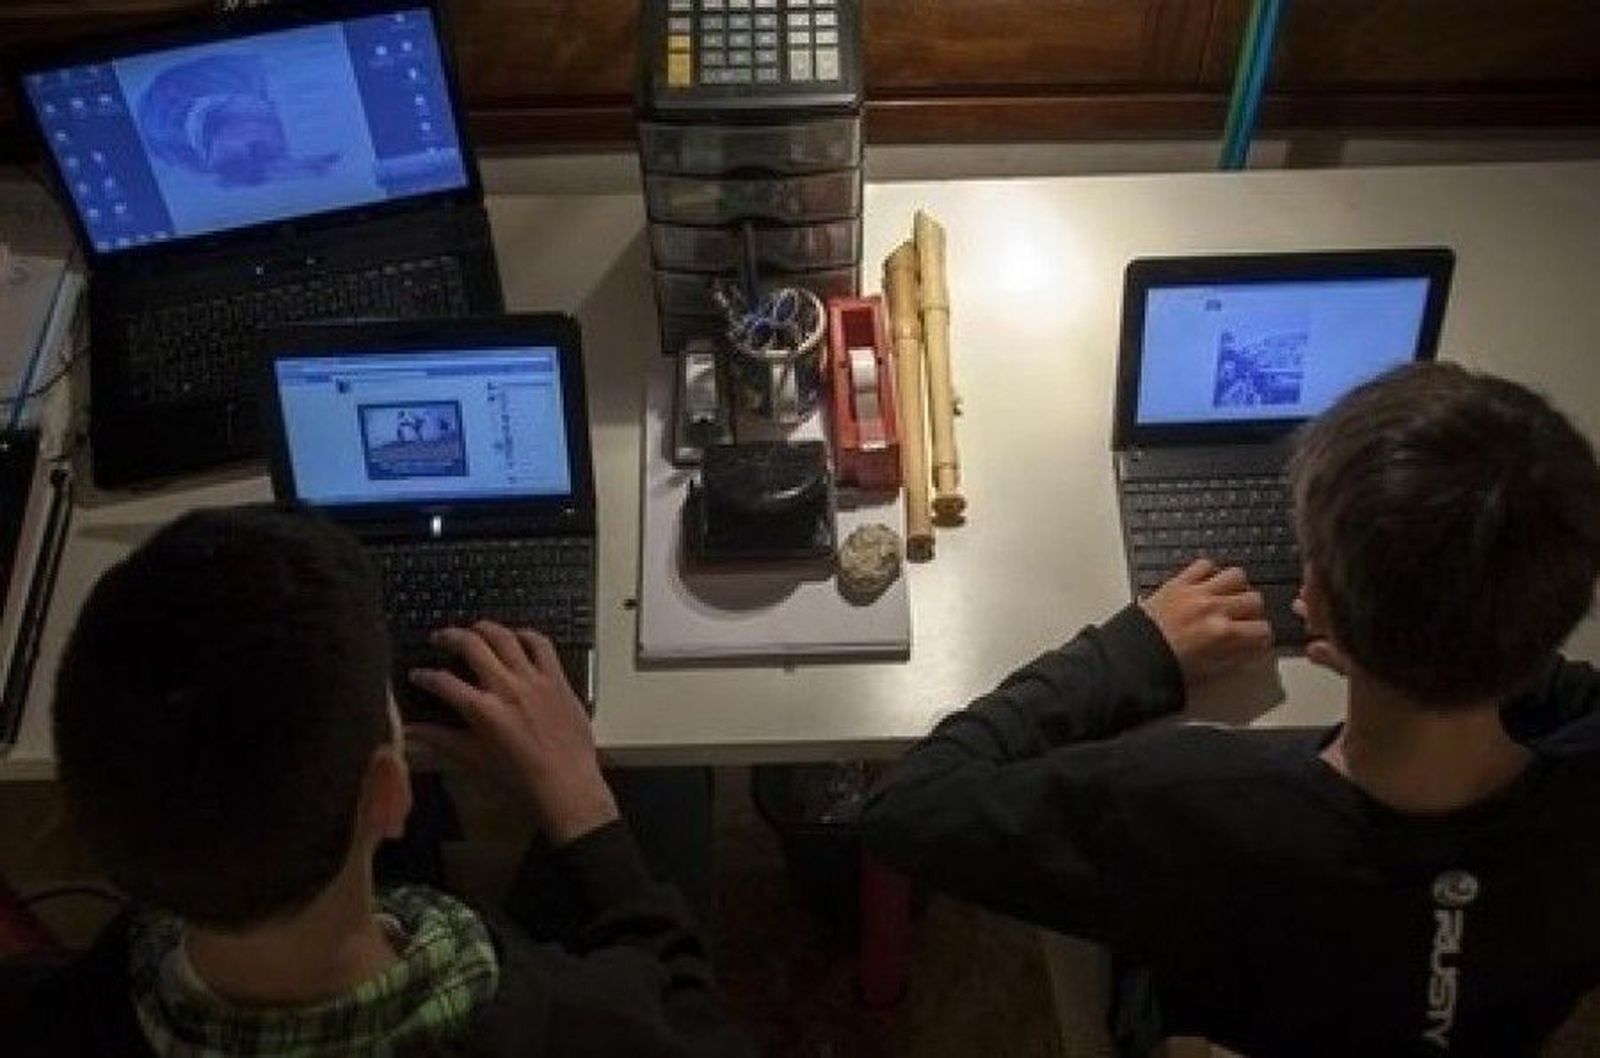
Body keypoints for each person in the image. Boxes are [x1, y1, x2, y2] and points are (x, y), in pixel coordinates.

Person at [862, 362, 1600, 1057]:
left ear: (1313, 602)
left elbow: (910, 805)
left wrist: (1133, 652)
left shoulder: (1193, 805)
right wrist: (1441, 644)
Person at [5, 507, 748, 1057]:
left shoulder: (49, 1021)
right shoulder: (578, 1024)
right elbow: (694, 1021)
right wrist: (583, 802)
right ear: (385, 792)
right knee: (663, 787)